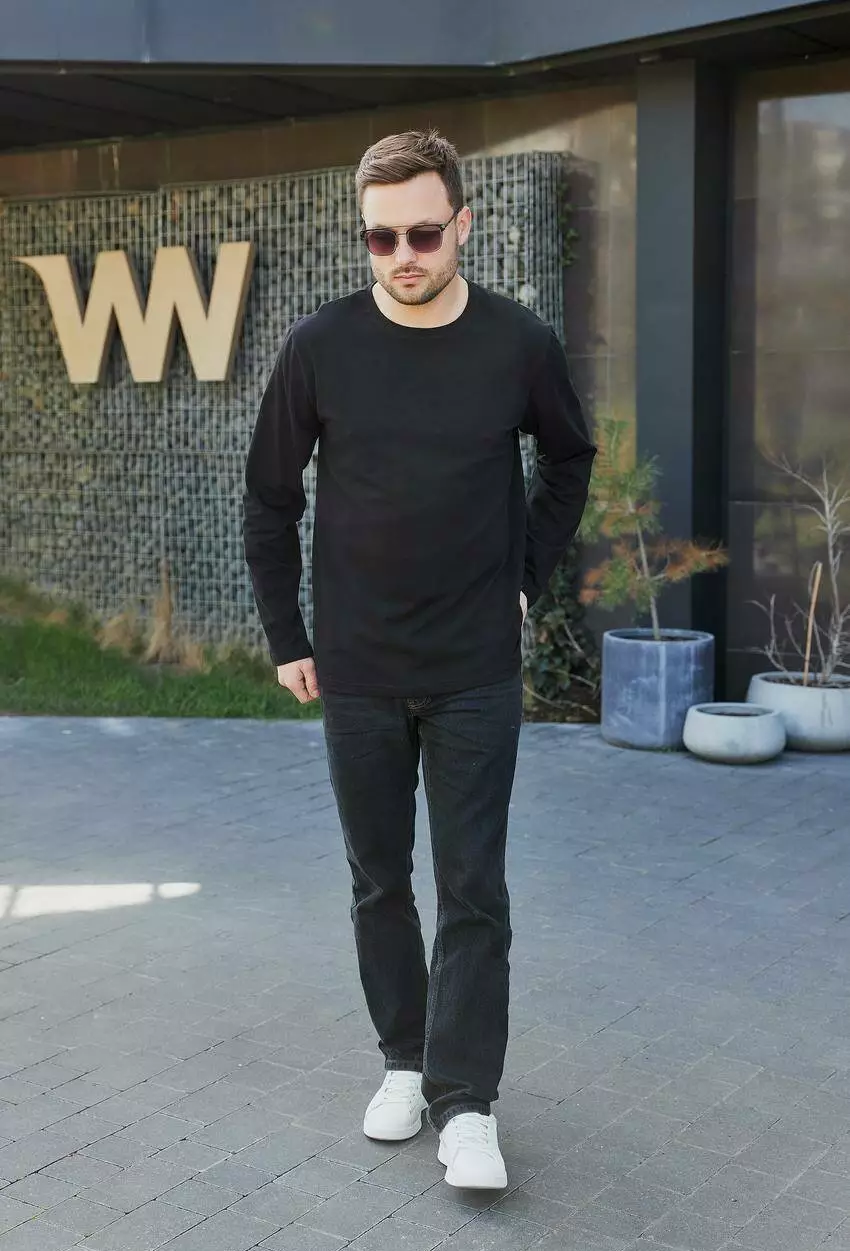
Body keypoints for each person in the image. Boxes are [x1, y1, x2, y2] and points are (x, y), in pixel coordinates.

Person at [242, 130, 596, 1190]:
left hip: (474, 666)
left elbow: (569, 458)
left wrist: (524, 575)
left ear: (462, 226)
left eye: (424, 234)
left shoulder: (517, 344)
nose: (402, 255)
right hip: (355, 667)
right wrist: (287, 637)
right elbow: (269, 499)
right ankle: (404, 1060)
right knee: (378, 880)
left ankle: (467, 1103)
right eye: (381, 237)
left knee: (474, 886)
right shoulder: (320, 346)